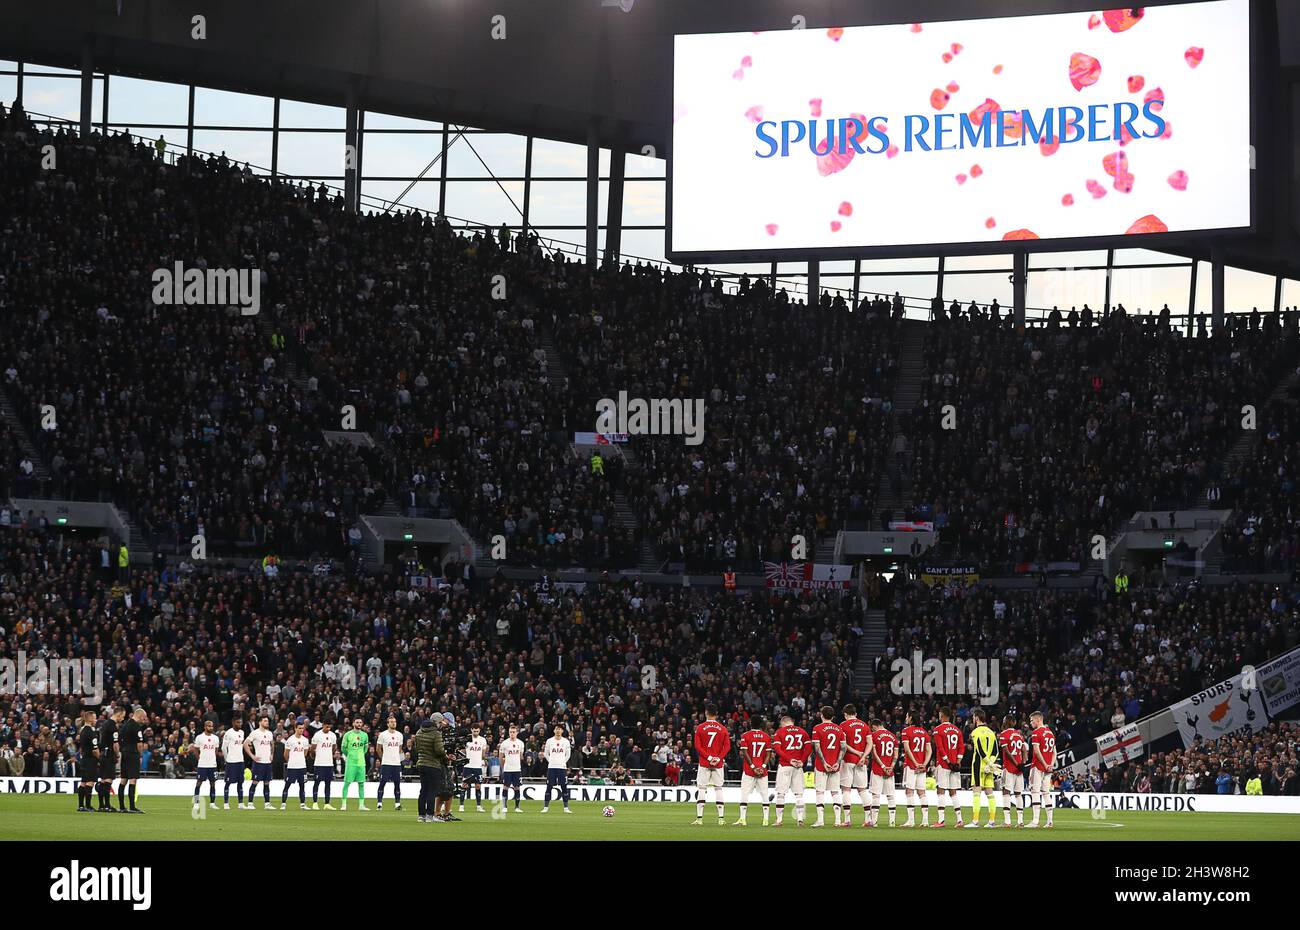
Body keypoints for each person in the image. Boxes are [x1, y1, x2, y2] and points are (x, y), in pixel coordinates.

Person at [691, 704, 730, 825]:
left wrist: (708, 757)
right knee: (718, 788)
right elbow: (727, 746)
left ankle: (699, 819)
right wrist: (718, 758)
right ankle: (721, 819)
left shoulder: (701, 728)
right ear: (716, 714)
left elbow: (697, 746)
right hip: (718, 764)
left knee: (702, 788)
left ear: (706, 713)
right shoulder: (723, 728)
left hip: (704, 762)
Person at [771, 713, 809, 827]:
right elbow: (808, 747)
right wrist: (802, 760)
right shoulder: (802, 731)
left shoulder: (780, 732)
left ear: (783, 723)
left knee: (781, 794)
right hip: (798, 766)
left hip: (785, 765)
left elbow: (777, 748)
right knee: (799, 794)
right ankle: (800, 819)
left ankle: (779, 820)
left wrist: (789, 759)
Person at [810, 705, 845, 827]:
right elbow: (843, 748)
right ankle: (837, 821)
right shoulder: (839, 729)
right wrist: (837, 762)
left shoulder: (817, 728)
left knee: (820, 792)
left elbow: (817, 747)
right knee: (835, 792)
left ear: (821, 715)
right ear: (833, 716)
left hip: (822, 766)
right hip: (835, 765)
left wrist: (824, 763)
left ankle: (820, 820)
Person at [839, 704, 872, 827]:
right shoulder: (864, 725)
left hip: (848, 759)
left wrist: (855, 752)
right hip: (861, 761)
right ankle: (868, 820)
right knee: (862, 790)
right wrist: (863, 756)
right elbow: (870, 743)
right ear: (856, 714)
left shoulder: (843, 725)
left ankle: (847, 820)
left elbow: (843, 744)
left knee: (846, 789)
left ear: (845, 714)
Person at [931, 707, 965, 828]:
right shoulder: (957, 730)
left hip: (944, 764)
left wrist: (948, 761)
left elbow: (940, 748)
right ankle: (960, 820)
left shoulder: (938, 730)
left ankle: (941, 820)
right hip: (955, 765)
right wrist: (957, 762)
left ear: (942, 715)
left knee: (941, 790)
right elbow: (962, 747)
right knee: (953, 792)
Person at [412, 712, 448, 823]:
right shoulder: (436, 734)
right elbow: (439, 751)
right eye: (440, 722)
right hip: (433, 765)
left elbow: (416, 749)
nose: (441, 725)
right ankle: (429, 815)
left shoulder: (419, 731)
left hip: (421, 764)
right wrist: (445, 754)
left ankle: (421, 815)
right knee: (432, 791)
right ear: (436, 722)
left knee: (423, 790)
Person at [734, 719, 772, 826]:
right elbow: (768, 754)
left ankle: (742, 819)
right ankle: (765, 820)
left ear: (751, 724)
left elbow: (745, 753)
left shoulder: (745, 735)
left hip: (749, 770)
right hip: (762, 770)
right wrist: (763, 767)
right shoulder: (766, 736)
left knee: (744, 793)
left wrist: (753, 767)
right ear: (760, 725)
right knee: (764, 794)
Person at [966, 708, 1000, 828]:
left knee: (976, 792)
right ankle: (991, 821)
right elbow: (996, 751)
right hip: (989, 767)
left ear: (976, 718)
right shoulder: (991, 732)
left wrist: (986, 763)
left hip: (978, 766)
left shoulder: (975, 732)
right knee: (990, 793)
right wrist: (991, 764)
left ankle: (975, 821)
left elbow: (980, 750)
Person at [899, 711, 932, 828]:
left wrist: (916, 763)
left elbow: (907, 750)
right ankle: (925, 821)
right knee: (922, 792)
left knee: (909, 791)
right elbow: (929, 751)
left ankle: (911, 821)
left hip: (912, 766)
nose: (906, 718)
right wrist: (924, 764)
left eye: (907, 716)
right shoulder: (924, 732)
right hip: (922, 767)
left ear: (911, 718)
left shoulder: (906, 731)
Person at [1026, 710, 1057, 828]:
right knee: (1046, 792)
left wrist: (1044, 765)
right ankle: (1049, 822)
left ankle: (1035, 821)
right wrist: (1050, 765)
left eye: (1032, 720)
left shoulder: (1036, 733)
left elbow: (1037, 752)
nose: (1031, 723)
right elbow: (1055, 752)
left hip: (1038, 766)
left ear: (1038, 720)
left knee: (1035, 791)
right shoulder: (1050, 733)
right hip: (1048, 768)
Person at [998, 714, 1029, 827]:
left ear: (1006, 722)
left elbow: (1006, 751)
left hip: (1009, 768)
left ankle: (1007, 821)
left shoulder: (1004, 734)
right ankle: (1020, 822)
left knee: (1006, 793)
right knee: (1018, 794)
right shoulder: (1019, 735)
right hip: (1019, 769)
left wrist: (1016, 763)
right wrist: (1023, 763)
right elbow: (1024, 749)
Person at [868, 719, 898, 827]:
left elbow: (874, 754)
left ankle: (874, 822)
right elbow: (895, 755)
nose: (872, 729)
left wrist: (883, 766)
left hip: (878, 769)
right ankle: (892, 822)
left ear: (875, 726)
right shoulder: (893, 736)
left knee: (876, 796)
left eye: (872, 727)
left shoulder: (874, 735)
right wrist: (891, 767)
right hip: (890, 770)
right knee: (890, 796)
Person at [117, 707, 146, 813]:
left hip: (124, 753)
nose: (144, 721)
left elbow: (119, 739)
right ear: (140, 716)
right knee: (133, 779)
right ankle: (132, 807)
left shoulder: (125, 725)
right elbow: (139, 744)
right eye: (143, 719)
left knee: (123, 779)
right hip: (133, 754)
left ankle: (121, 806)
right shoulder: (136, 727)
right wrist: (141, 755)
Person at [243, 715, 276, 809]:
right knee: (255, 782)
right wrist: (252, 756)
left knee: (267, 783)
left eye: (267, 721)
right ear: (260, 722)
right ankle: (250, 803)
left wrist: (272, 754)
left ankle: (267, 804)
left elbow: (272, 744)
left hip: (268, 762)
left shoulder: (269, 733)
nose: (267, 722)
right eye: (265, 721)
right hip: (259, 762)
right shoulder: (255, 733)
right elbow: (245, 744)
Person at [541, 723, 573, 814]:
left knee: (564, 787)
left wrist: (563, 762)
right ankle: (546, 807)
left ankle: (566, 808)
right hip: (551, 767)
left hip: (562, 768)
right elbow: (546, 753)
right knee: (549, 787)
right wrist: (550, 761)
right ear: (554, 731)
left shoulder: (566, 741)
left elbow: (568, 754)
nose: (558, 730)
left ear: (562, 731)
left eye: (560, 729)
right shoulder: (549, 741)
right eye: (556, 729)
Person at [97, 706, 124, 812]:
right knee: (108, 780)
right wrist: (117, 754)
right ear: (119, 714)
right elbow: (115, 744)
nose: (122, 718)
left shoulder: (104, 724)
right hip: (109, 755)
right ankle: (107, 805)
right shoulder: (113, 726)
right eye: (122, 716)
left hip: (103, 754)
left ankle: (101, 805)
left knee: (103, 780)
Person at [339, 718, 370, 810]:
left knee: (361, 784)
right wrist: (350, 755)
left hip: (361, 763)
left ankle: (361, 805)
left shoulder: (365, 735)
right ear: (353, 723)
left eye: (360, 722)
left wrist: (360, 755)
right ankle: (344, 805)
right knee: (347, 783)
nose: (359, 724)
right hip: (351, 763)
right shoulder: (348, 735)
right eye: (357, 722)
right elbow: (343, 749)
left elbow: (365, 749)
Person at [375, 715, 404, 811]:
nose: (393, 723)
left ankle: (397, 804)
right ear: (388, 724)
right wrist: (384, 758)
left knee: (397, 784)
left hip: (396, 764)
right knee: (382, 783)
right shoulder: (383, 735)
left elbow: (400, 749)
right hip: (386, 764)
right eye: (391, 722)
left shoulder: (400, 735)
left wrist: (396, 757)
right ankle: (379, 803)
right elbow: (378, 748)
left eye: (394, 721)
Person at [192, 719, 220, 810]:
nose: (210, 727)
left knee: (213, 783)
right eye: (209, 726)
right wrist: (199, 759)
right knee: (199, 783)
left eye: (211, 726)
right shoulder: (199, 737)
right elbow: (195, 750)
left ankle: (212, 803)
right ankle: (196, 802)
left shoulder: (215, 738)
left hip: (212, 765)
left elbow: (215, 750)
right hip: (202, 765)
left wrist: (212, 759)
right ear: (205, 727)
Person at [281, 722, 310, 810]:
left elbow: (305, 753)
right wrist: (291, 762)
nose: (301, 730)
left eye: (302, 728)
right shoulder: (290, 740)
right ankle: (283, 804)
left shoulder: (305, 740)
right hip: (292, 767)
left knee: (302, 785)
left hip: (302, 766)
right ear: (295, 729)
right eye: (299, 728)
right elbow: (286, 754)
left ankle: (302, 804)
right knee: (287, 785)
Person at [459, 723, 488, 813]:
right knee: (464, 785)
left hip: (477, 766)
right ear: (471, 730)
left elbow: (483, 753)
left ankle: (478, 806)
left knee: (478, 786)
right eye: (474, 731)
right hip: (468, 766)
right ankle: (461, 805)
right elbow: (461, 750)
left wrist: (484, 760)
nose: (475, 732)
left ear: (479, 730)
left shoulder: (483, 740)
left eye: (477, 731)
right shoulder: (467, 739)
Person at [498, 724, 526, 814]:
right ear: (509, 733)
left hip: (517, 769)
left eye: (514, 732)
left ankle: (517, 807)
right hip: (507, 769)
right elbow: (501, 757)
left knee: (517, 787)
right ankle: (504, 806)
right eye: (510, 732)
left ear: (517, 732)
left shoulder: (521, 743)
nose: (512, 734)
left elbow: (521, 756)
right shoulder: (504, 743)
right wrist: (503, 768)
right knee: (505, 787)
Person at [221, 714, 247, 809]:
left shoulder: (242, 732)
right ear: (233, 723)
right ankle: (226, 803)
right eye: (238, 722)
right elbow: (223, 747)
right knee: (228, 782)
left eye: (241, 722)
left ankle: (240, 803)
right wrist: (227, 759)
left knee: (240, 782)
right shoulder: (228, 733)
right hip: (231, 762)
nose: (240, 724)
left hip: (240, 761)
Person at [311, 719, 337, 810]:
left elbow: (334, 747)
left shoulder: (333, 735)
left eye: (330, 727)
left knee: (328, 783)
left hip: (329, 763)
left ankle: (327, 803)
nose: (328, 728)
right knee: (317, 782)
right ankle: (315, 802)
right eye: (327, 726)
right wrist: (315, 756)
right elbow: (312, 748)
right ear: (323, 725)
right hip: (319, 763)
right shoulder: (317, 735)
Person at [76, 708, 99, 813]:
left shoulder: (82, 730)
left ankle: (81, 805)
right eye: (95, 718)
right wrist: (100, 758)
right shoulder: (90, 732)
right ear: (90, 719)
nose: (96, 720)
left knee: (83, 782)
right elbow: (95, 750)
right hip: (90, 760)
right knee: (90, 782)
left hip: (84, 759)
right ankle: (88, 805)